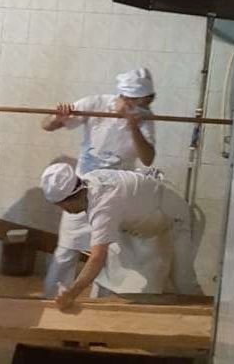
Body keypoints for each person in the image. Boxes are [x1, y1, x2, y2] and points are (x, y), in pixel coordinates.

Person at [40, 68, 157, 298]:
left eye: (145, 102)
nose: (142, 107)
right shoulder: (95, 104)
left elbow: (148, 158)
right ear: (125, 96)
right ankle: (52, 301)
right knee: (66, 251)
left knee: (111, 257)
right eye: (137, 102)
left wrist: (133, 126)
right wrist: (58, 118)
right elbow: (46, 125)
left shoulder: (144, 119)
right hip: (79, 191)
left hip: (114, 197)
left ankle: (99, 308)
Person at [40, 163, 202, 310]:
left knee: (183, 281)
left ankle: (203, 322)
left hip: (171, 218)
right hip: (140, 222)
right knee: (111, 278)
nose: (64, 211)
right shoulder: (89, 180)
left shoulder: (103, 207)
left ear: (68, 200)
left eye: (61, 206)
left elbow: (97, 258)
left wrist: (72, 293)